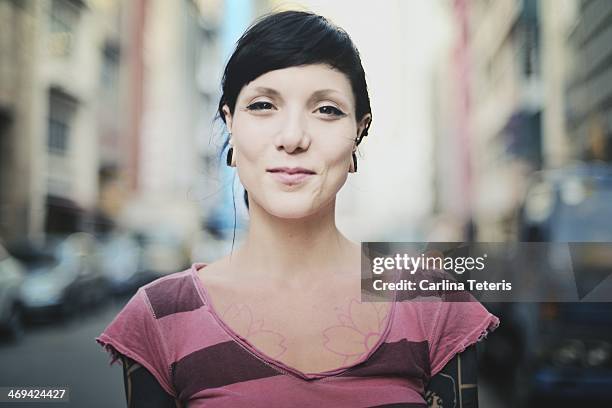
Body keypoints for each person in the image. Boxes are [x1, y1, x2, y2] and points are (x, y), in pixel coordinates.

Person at [96, 10, 499, 408]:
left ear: (359, 132)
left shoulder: (434, 302)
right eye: (262, 106)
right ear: (230, 123)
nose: (292, 138)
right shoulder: (160, 315)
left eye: (326, 109)